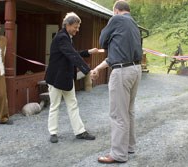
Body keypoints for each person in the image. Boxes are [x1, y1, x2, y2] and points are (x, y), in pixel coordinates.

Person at [91, 1, 142, 163]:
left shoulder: (116, 19)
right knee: (129, 111)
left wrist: (110, 27)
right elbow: (116, 55)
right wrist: (98, 68)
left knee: (118, 114)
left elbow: (102, 41)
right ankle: (129, 147)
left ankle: (118, 154)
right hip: (135, 70)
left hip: (122, 73)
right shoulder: (134, 24)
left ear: (116, 11)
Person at [45, 12, 98, 143]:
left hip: (66, 77)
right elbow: (72, 55)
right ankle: (53, 132)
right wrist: (88, 70)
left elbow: (73, 53)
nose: (77, 30)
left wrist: (88, 52)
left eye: (78, 27)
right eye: (76, 27)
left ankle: (80, 132)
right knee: (55, 106)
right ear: (68, 25)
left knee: (72, 105)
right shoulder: (62, 37)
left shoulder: (67, 37)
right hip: (56, 78)